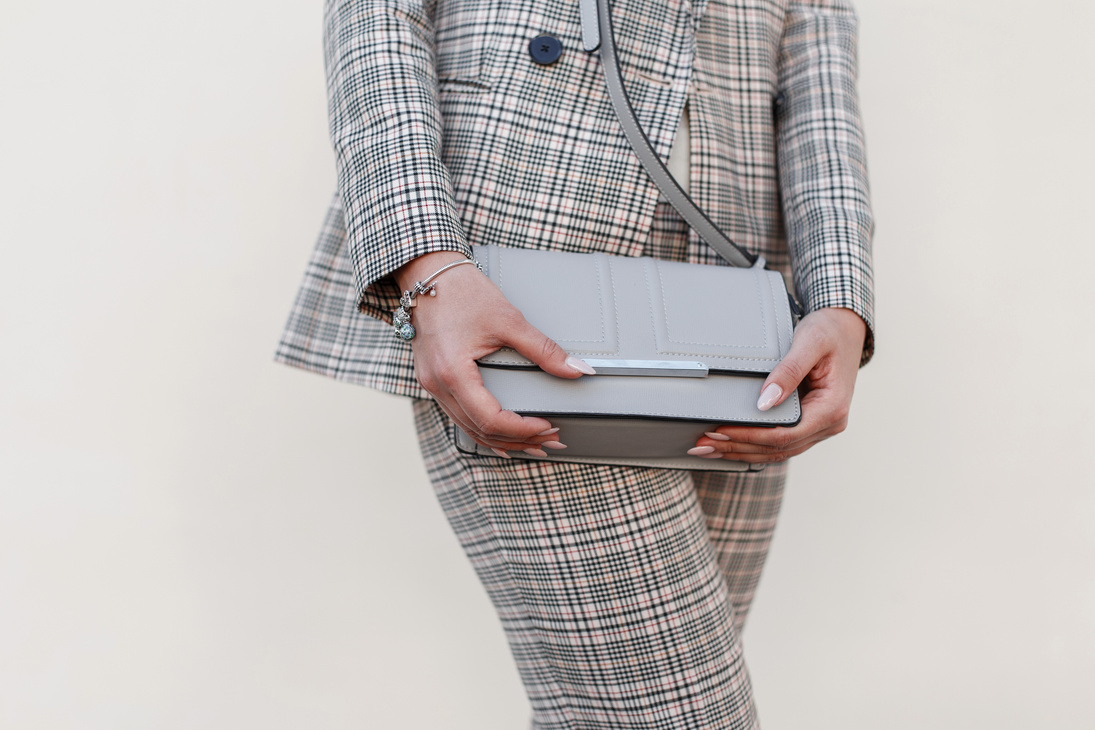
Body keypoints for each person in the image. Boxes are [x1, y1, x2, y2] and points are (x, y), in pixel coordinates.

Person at [277, 0, 874, 726]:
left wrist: (840, 295)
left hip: (742, 312)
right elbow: (376, 15)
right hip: (511, 283)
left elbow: (819, 72)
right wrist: (425, 260)